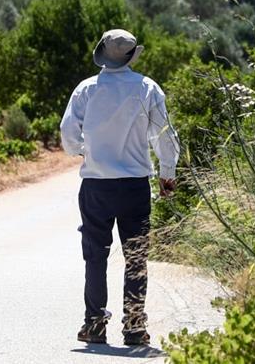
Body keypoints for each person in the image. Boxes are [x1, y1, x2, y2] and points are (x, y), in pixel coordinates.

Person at [60, 29, 179, 346]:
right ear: (131, 56)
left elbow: (68, 132)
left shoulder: (86, 89)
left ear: (103, 53)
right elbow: (164, 135)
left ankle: (95, 324)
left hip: (96, 185)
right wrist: (167, 173)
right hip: (135, 187)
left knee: (95, 255)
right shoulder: (147, 88)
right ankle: (134, 326)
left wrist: (83, 151)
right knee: (136, 257)